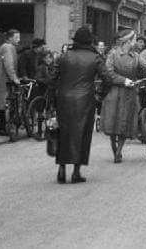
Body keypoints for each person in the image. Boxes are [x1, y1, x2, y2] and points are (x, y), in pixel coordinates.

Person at [55, 27, 120, 182]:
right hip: (85, 100)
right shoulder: (95, 57)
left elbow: (52, 77)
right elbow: (108, 79)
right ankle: (76, 171)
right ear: (90, 40)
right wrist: (99, 96)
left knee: (64, 133)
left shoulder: (64, 56)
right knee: (82, 134)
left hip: (64, 99)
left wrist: (55, 95)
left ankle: (61, 169)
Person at [101, 30, 143, 163]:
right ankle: (115, 148)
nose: (136, 42)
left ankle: (119, 151)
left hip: (129, 93)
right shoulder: (113, 54)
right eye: (135, 39)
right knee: (113, 122)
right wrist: (123, 80)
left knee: (125, 122)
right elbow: (108, 72)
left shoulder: (135, 55)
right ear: (128, 41)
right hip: (115, 91)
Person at [0, 29, 22, 136]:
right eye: (17, 37)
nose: (19, 40)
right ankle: (2, 128)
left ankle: (2, 127)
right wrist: (14, 78)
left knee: (2, 104)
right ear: (10, 38)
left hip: (3, 79)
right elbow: (9, 64)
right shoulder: (8, 48)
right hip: (5, 81)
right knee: (4, 103)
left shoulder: (6, 47)